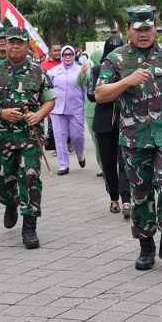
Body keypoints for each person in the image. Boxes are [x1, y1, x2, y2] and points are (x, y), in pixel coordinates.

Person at [96, 5, 162, 271]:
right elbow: (101, 94)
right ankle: (146, 245)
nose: (144, 34)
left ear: (155, 28)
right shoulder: (115, 59)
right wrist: (127, 81)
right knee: (140, 193)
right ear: (128, 29)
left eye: (148, 28)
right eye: (138, 29)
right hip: (133, 137)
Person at [0, 27, 56, 249]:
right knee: (4, 181)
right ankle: (9, 203)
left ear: (26, 45)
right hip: (3, 136)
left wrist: (39, 114)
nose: (13, 46)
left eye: (19, 43)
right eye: (10, 42)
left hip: (30, 137)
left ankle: (29, 226)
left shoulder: (38, 71)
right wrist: (1, 112)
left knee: (30, 178)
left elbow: (50, 100)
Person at [88, 36, 131, 216]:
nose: (115, 52)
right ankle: (113, 198)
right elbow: (91, 94)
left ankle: (127, 200)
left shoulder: (130, 69)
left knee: (126, 163)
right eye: (111, 49)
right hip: (104, 122)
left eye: (119, 48)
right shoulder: (97, 70)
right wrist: (111, 90)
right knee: (108, 163)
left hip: (126, 121)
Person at [48, 45, 87, 175]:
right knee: (60, 137)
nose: (68, 57)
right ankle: (63, 165)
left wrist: (87, 104)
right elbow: (47, 90)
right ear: (62, 56)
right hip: (57, 110)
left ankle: (80, 154)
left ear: (74, 55)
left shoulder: (80, 70)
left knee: (77, 136)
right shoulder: (53, 71)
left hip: (76, 108)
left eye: (70, 54)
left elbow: (85, 89)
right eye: (65, 54)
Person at [83, 49, 103, 177]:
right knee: (97, 141)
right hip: (91, 112)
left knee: (100, 142)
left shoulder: (110, 69)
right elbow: (79, 82)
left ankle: (106, 165)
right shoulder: (90, 72)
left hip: (102, 111)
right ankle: (102, 166)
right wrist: (83, 73)